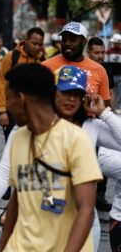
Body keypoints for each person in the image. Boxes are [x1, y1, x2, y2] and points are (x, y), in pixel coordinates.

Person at [0, 65, 121, 252]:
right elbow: (9, 180)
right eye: (65, 92)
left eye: (76, 94)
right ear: (53, 93)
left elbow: (86, 206)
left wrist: (104, 113)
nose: (71, 99)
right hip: (34, 227)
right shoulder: (23, 132)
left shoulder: (87, 131)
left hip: (76, 227)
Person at [42, 22, 111, 106]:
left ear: (84, 42)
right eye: (64, 39)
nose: (67, 43)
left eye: (73, 39)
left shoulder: (99, 70)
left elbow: (105, 108)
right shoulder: (44, 67)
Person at [0, 27, 45, 141]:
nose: (37, 47)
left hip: (33, 113)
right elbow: (2, 82)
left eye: (40, 44)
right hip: (12, 112)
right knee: (11, 148)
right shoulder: (12, 57)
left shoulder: (43, 61)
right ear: (26, 40)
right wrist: (2, 111)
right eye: (34, 43)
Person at [87, 36, 116, 212]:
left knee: (103, 158)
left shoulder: (106, 70)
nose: (100, 56)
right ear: (88, 52)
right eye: (96, 52)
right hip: (87, 121)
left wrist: (111, 116)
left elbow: (111, 94)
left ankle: (100, 195)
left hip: (102, 120)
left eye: (102, 52)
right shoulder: (83, 69)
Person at [105, 33, 121, 114]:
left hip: (120, 76)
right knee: (110, 92)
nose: (116, 44)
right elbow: (107, 64)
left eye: (117, 43)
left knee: (119, 92)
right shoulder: (108, 52)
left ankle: (118, 107)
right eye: (115, 43)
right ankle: (110, 107)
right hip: (111, 76)